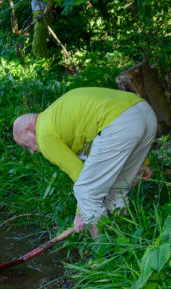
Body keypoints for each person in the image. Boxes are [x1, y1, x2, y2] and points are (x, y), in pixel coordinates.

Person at [12, 87, 156, 238]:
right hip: (145, 112)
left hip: (118, 122)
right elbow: (97, 157)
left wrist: (81, 213)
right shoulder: (56, 115)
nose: (32, 151)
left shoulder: (43, 135)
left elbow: (80, 175)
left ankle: (104, 250)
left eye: (25, 145)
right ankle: (127, 239)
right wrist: (141, 161)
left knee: (86, 193)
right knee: (116, 189)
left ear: (29, 131)